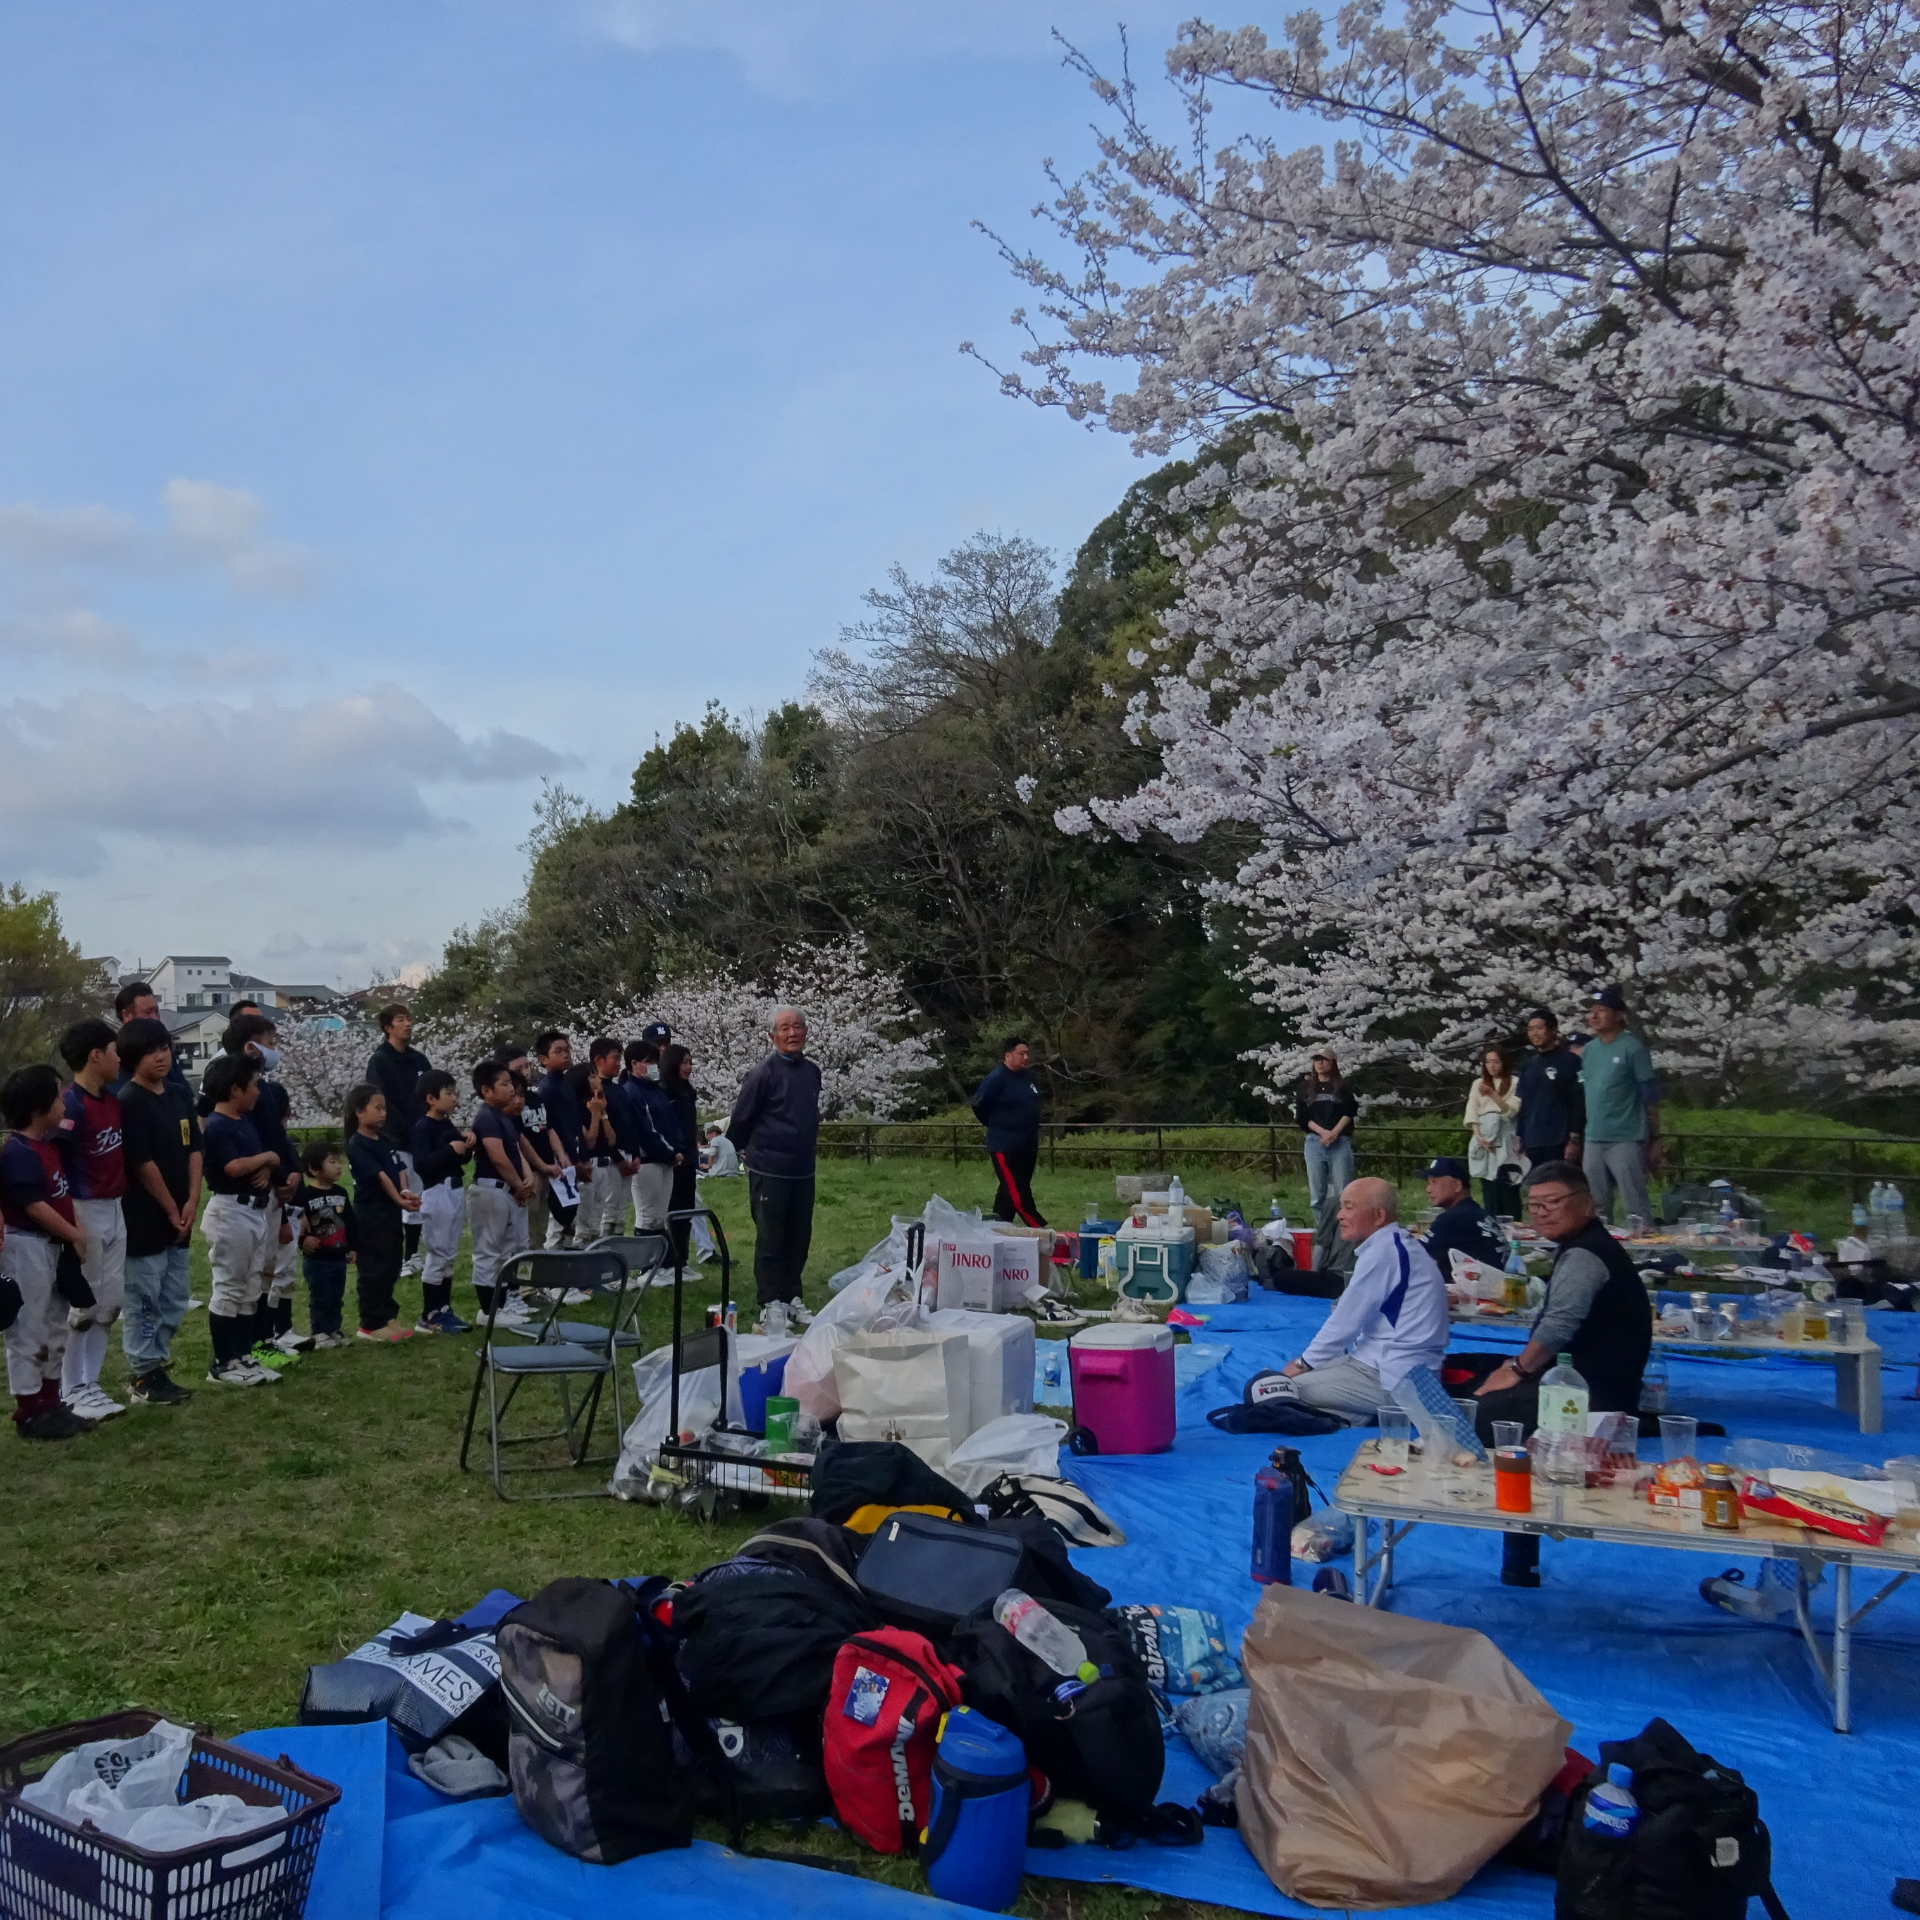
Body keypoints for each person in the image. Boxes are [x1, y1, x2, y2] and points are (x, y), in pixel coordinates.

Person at [1469, 1159, 1654, 1587]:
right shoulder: (1584, 1246)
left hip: (1590, 1399)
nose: (1541, 1212)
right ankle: (1519, 1548)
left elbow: (1559, 1326)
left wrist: (1516, 1369)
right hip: (1580, 1382)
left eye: (1552, 1202)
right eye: (1533, 1205)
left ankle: (1517, 1549)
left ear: (1587, 1204)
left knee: (1477, 1418)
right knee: (1475, 1375)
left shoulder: (1587, 1255)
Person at [1257, 1178, 1448, 1424]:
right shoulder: (1394, 1245)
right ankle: (1362, 1415)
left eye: (1349, 1207)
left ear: (1378, 1215)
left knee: (1269, 1390)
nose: (1339, 1215)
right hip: (1380, 1364)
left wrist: (1303, 1363)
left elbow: (1345, 1323)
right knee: (1280, 1384)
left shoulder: (1383, 1253)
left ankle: (1381, 1414)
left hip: (1394, 1376)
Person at [2, 1063, 94, 1439]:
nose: (64, 1103)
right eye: (58, 1097)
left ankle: (52, 1401)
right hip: (28, 1247)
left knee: (55, 1324)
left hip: (53, 1248)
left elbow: (60, 1196)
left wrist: (73, 1235)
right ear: (39, 1109)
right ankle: (29, 1411)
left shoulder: (47, 1146)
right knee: (29, 1330)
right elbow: (33, 1205)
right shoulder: (18, 1151)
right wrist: (73, 1233)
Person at [115, 1018, 200, 1404]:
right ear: (133, 1058)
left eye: (164, 1047)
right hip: (146, 1216)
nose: (161, 1055)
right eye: (151, 1051)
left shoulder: (180, 1094)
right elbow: (141, 1162)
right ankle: (142, 1373)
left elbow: (195, 1148)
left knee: (175, 1295)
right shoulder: (129, 1101)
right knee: (144, 1297)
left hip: (182, 1210)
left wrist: (193, 1200)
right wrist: (170, 1208)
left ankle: (156, 1364)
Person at [726, 1007, 821, 1329]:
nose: (792, 1033)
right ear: (772, 1036)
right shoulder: (762, 1074)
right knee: (771, 1237)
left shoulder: (812, 1071)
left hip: (803, 1167)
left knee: (799, 1236)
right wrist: (742, 1152)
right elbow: (742, 1117)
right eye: (785, 1028)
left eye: (797, 1027)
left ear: (805, 1032)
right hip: (769, 1167)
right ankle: (770, 1301)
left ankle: (792, 1295)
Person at [54, 1019, 129, 1420]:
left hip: (115, 1207)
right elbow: (53, 1159)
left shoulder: (111, 1100)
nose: (119, 1058)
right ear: (95, 1055)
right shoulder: (71, 1105)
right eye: (113, 1050)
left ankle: (92, 1382)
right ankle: (72, 1388)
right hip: (84, 1208)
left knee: (110, 1302)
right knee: (83, 1305)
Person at [221, 1013, 306, 1359]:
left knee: (270, 1266)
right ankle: (247, 1345)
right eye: (269, 1043)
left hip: (275, 1188)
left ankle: (266, 1337)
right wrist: (268, 1171)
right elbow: (242, 1142)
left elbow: (278, 1137)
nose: (275, 1051)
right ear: (251, 1047)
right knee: (247, 1274)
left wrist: (293, 1174)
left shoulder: (267, 1091)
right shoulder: (228, 1092)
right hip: (248, 1193)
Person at [198, 1054, 283, 1386]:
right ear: (235, 1090)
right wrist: (269, 1157)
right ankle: (223, 1362)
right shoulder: (218, 1124)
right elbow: (233, 1167)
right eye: (252, 1086)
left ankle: (243, 1355)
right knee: (229, 1285)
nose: (257, 1092)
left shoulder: (243, 1121)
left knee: (250, 1287)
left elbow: (250, 1162)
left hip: (254, 1210)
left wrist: (264, 1165)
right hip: (231, 1210)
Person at [1579, 987, 1662, 1226]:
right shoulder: (1590, 1050)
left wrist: (1655, 1138)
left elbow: (1649, 1094)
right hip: (1594, 1136)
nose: (1594, 1016)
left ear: (1617, 1015)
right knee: (1596, 1202)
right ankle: (1603, 1251)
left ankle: (1646, 1254)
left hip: (1625, 1135)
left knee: (1634, 1201)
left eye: (1601, 1011)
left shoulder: (1632, 1048)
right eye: (1591, 1011)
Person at [344, 1082, 419, 1344]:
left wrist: (406, 1192)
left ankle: (388, 1316)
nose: (383, 1113)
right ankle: (370, 1322)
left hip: (390, 1212)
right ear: (359, 1111)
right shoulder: (357, 1143)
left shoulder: (385, 1140)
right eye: (377, 1108)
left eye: (384, 1108)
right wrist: (399, 1199)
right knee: (374, 1267)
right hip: (371, 1213)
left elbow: (399, 1170)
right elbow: (380, 1177)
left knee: (392, 1264)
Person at [468, 1061, 535, 1327]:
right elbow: (498, 1157)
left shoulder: (503, 1118)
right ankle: (488, 1310)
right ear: (486, 1090)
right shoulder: (485, 1117)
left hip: (509, 1190)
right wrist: (519, 1184)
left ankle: (508, 1300)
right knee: (489, 1252)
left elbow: (516, 1151)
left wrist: (525, 1180)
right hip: (491, 1189)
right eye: (504, 1084)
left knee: (512, 1249)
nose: (511, 1090)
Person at [367, 1003, 431, 1274]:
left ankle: (415, 1252)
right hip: (396, 1139)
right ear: (387, 1027)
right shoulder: (380, 1060)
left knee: (421, 1195)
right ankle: (403, 1255)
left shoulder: (418, 1060)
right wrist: (402, 1130)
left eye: (409, 1018)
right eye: (401, 1019)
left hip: (423, 1138)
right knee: (403, 1194)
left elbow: (431, 1091)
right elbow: (382, 1100)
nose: (408, 1024)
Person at [410, 1069, 475, 1333]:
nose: (454, 1098)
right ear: (431, 1098)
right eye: (448, 1093)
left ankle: (444, 1309)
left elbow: (461, 1159)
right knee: (438, 1252)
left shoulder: (447, 1124)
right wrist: (450, 1149)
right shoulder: (422, 1127)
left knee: (449, 1253)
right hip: (436, 1192)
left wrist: (467, 1147)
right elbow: (422, 1164)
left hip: (455, 1188)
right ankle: (430, 1313)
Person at [971, 1036, 1047, 1227]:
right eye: (1021, 1053)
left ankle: (996, 1228)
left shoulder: (1030, 1078)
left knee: (1009, 1193)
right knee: (1018, 1193)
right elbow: (979, 1104)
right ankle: (1042, 1231)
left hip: (1028, 1144)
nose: (1026, 1057)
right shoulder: (997, 1078)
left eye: (1027, 1053)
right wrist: (998, 1125)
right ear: (1008, 1055)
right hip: (1005, 1144)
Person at [1295, 1050, 1359, 1272]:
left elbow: (1350, 1111)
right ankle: (1323, 1236)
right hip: (1314, 1141)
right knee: (1317, 1194)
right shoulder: (1305, 1088)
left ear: (1332, 1062)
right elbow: (1302, 1117)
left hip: (1339, 1141)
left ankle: (1345, 1235)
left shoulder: (1343, 1086)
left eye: (1323, 1060)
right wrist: (1323, 1132)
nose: (1320, 1064)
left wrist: (1334, 1133)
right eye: (1316, 1060)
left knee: (1344, 1191)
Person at [293, 1139, 355, 1349]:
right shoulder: (306, 1195)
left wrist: (353, 1247)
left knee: (336, 1296)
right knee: (321, 1296)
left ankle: (333, 1329)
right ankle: (320, 1332)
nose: (338, 1166)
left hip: (338, 1256)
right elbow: (297, 1223)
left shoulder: (341, 1193)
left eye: (338, 1161)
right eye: (332, 1162)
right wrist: (303, 1241)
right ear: (313, 1168)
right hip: (317, 1259)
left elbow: (350, 1222)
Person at [617, 1040, 682, 1235]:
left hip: (666, 1160)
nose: (654, 1065)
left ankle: (661, 1263)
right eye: (649, 1061)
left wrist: (679, 1148)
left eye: (656, 1061)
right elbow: (645, 1129)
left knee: (660, 1217)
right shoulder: (631, 1091)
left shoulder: (656, 1089)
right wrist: (669, 1153)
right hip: (647, 1161)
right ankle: (647, 1264)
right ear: (635, 1064)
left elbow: (671, 1122)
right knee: (647, 1216)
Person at [1419, 1156, 1511, 1282]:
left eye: (1435, 1182)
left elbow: (1412, 1253)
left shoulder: (1453, 1219)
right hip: (1499, 1286)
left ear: (1457, 1185)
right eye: (1428, 1183)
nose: (1428, 1189)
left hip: (1483, 1295)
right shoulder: (1474, 1212)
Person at [1516, 1007, 1584, 1168]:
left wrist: (1574, 1137)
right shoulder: (1528, 1065)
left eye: (1539, 1028)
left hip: (1560, 1139)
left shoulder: (1570, 1061)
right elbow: (1524, 1104)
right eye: (1530, 1029)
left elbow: (1579, 1101)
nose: (1534, 1034)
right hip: (1533, 1140)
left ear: (1553, 1030)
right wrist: (1520, 1136)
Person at [581, 1038, 634, 1240]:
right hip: (611, 1159)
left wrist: (634, 1154)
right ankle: (602, 1253)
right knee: (607, 1212)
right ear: (599, 1060)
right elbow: (604, 1131)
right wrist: (619, 1159)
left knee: (620, 1213)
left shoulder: (619, 1089)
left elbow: (629, 1125)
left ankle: (616, 1257)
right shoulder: (595, 1093)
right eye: (615, 1058)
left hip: (626, 1155)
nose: (619, 1063)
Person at [534, 1031, 583, 1249]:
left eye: (567, 1050)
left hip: (572, 1152)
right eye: (558, 1051)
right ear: (543, 1059)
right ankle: (554, 1268)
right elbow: (551, 1126)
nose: (565, 1055)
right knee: (559, 1218)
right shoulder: (547, 1088)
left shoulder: (566, 1083)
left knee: (572, 1217)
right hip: (559, 1158)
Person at [1463, 1042, 1525, 1217]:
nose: (1492, 1066)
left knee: (1507, 1182)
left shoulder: (1514, 1082)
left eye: (1496, 1061)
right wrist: (1478, 1136)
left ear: (1504, 1062)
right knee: (1488, 1183)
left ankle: (1513, 1223)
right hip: (1484, 1134)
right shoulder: (1478, 1083)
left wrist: (1492, 1094)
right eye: (1488, 1062)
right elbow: (1472, 1110)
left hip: (1505, 1133)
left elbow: (1510, 1109)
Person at [661, 1043, 702, 1265]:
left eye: (690, 1062)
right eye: (684, 1062)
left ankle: (682, 1260)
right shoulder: (665, 1090)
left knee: (686, 1210)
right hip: (673, 1159)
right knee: (672, 1209)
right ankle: (669, 1259)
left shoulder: (688, 1091)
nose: (688, 1067)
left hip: (689, 1158)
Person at [114, 980, 191, 1092]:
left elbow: (184, 1091)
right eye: (148, 1013)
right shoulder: (114, 1058)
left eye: (156, 1012)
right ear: (126, 1015)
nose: (155, 1018)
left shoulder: (164, 1051)